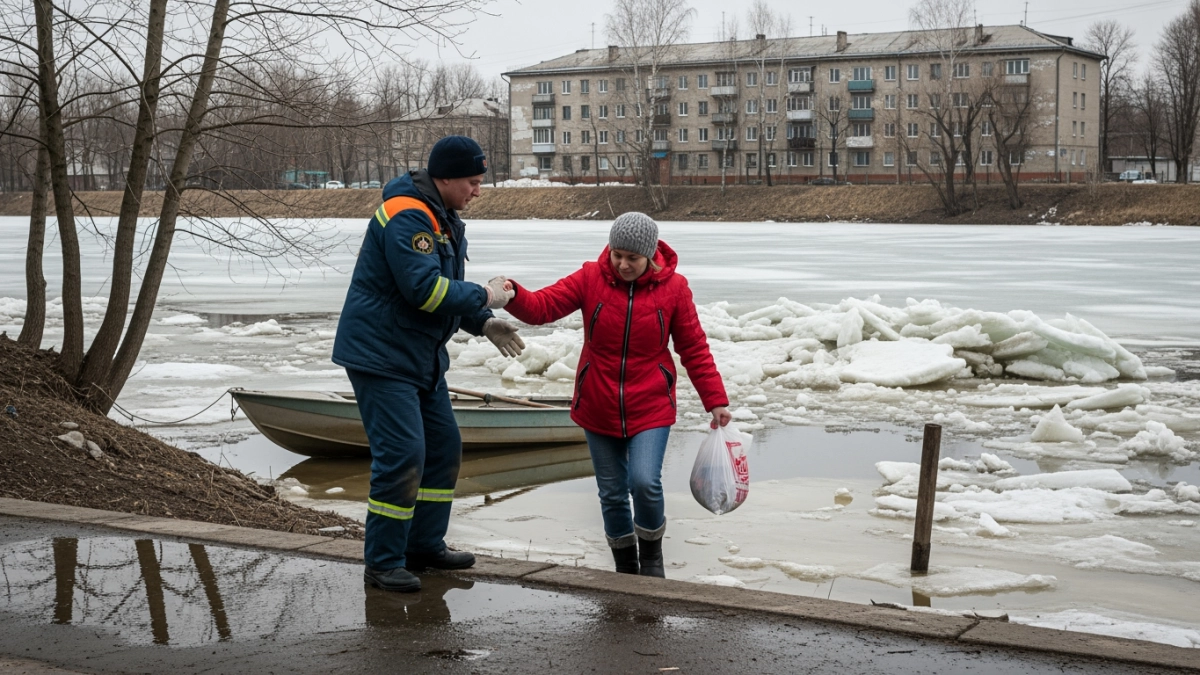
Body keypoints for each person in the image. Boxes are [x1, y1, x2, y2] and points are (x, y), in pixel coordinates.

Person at [332, 136, 525, 593]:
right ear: (446, 178)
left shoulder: (443, 217)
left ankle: (423, 545)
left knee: (442, 450)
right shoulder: (409, 215)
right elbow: (425, 290)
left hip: (418, 356)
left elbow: (442, 291)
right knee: (402, 456)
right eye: (473, 182)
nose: (478, 191)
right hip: (382, 356)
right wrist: (485, 294)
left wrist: (482, 321)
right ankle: (382, 562)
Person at [500, 212, 731, 577]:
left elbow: (694, 348)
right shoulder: (591, 277)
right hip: (598, 402)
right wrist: (513, 293)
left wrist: (715, 400)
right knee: (611, 493)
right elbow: (544, 306)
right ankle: (625, 566)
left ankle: (652, 558)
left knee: (644, 482)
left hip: (651, 403)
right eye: (616, 254)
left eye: (632, 258)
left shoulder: (674, 289)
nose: (622, 264)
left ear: (650, 255)